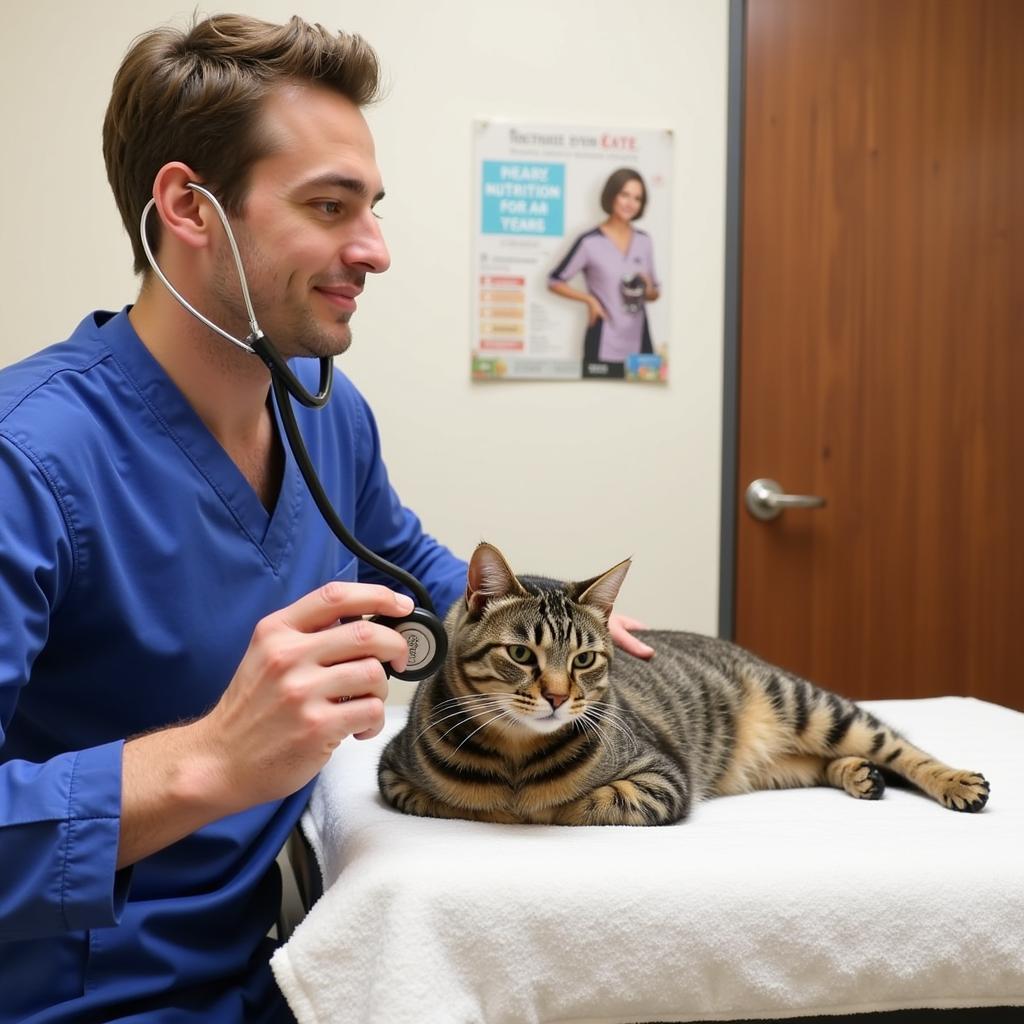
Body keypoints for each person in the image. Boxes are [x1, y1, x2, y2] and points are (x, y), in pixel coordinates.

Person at [0, 14, 653, 1023]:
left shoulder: (323, 407)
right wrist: (211, 757)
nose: (377, 250)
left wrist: (533, 625)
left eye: (373, 208)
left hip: (281, 968)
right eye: (330, 205)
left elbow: (406, 555)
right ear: (189, 207)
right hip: (84, 998)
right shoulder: (28, 461)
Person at [548, 167, 661, 379]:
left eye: (637, 198)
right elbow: (554, 281)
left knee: (645, 406)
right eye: (624, 195)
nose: (630, 203)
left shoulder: (645, 241)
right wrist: (590, 300)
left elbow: (655, 293)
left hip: (640, 343)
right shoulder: (589, 242)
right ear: (612, 195)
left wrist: (648, 288)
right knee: (597, 402)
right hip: (603, 342)